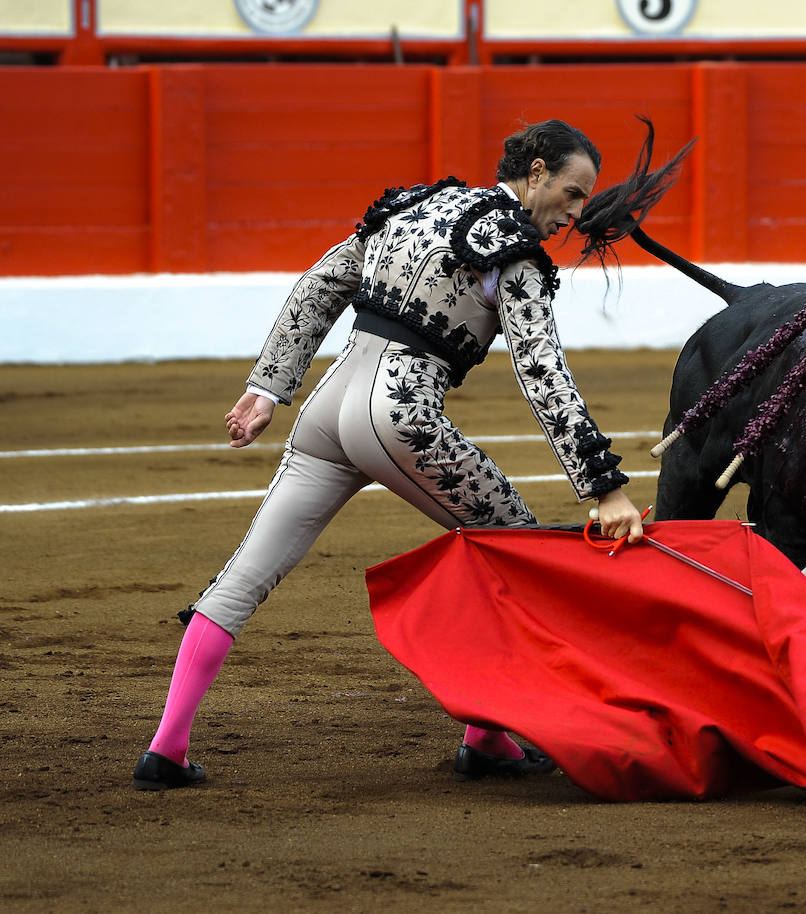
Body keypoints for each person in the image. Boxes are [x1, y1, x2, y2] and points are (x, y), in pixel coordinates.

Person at [132, 118, 689, 790]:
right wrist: (604, 486)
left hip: (327, 411)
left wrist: (267, 389)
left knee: (244, 577)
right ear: (535, 172)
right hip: (401, 416)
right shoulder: (512, 250)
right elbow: (544, 375)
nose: (575, 214)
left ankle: (166, 748)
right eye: (571, 193)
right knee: (518, 552)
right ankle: (485, 739)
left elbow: (320, 285)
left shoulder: (416, 204)